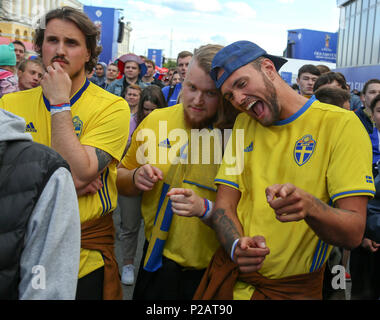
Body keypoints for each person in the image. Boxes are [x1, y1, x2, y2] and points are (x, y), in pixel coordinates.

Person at [194, 40, 375, 300]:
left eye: (241, 84)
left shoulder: (340, 125)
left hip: (292, 291)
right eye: (229, 96)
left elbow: (353, 232)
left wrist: (310, 207)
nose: (239, 100)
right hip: (232, 284)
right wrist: (237, 246)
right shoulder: (244, 125)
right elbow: (224, 205)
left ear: (268, 68)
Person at [0, 6, 130, 300]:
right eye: (52, 40)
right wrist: (66, 186)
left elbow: (78, 171)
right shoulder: (9, 105)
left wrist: (60, 104)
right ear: (40, 46)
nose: (60, 50)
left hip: (85, 259)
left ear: (88, 53)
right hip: (18, 251)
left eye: (71, 43)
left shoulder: (112, 107)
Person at [116, 44, 238, 300]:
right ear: (183, 79)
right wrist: (137, 177)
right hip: (156, 261)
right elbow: (120, 177)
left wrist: (206, 209)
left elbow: (252, 210)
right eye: (191, 87)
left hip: (213, 269)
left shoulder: (238, 135)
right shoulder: (156, 121)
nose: (197, 100)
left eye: (210, 93)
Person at [0, 108, 80, 300]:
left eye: (39, 73)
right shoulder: (14, 101)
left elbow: (81, 174)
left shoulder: (47, 169)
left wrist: (60, 105)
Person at [118, 85, 167, 286]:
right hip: (131, 178)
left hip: (156, 183)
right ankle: (128, 264)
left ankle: (153, 265)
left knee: (156, 227)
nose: (148, 113)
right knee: (129, 226)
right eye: (145, 109)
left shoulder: (169, 125)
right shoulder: (131, 123)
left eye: (153, 109)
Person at [349, 92, 380, 300]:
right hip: (368, 238)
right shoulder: (357, 143)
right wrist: (362, 233)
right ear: (371, 114)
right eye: (379, 110)